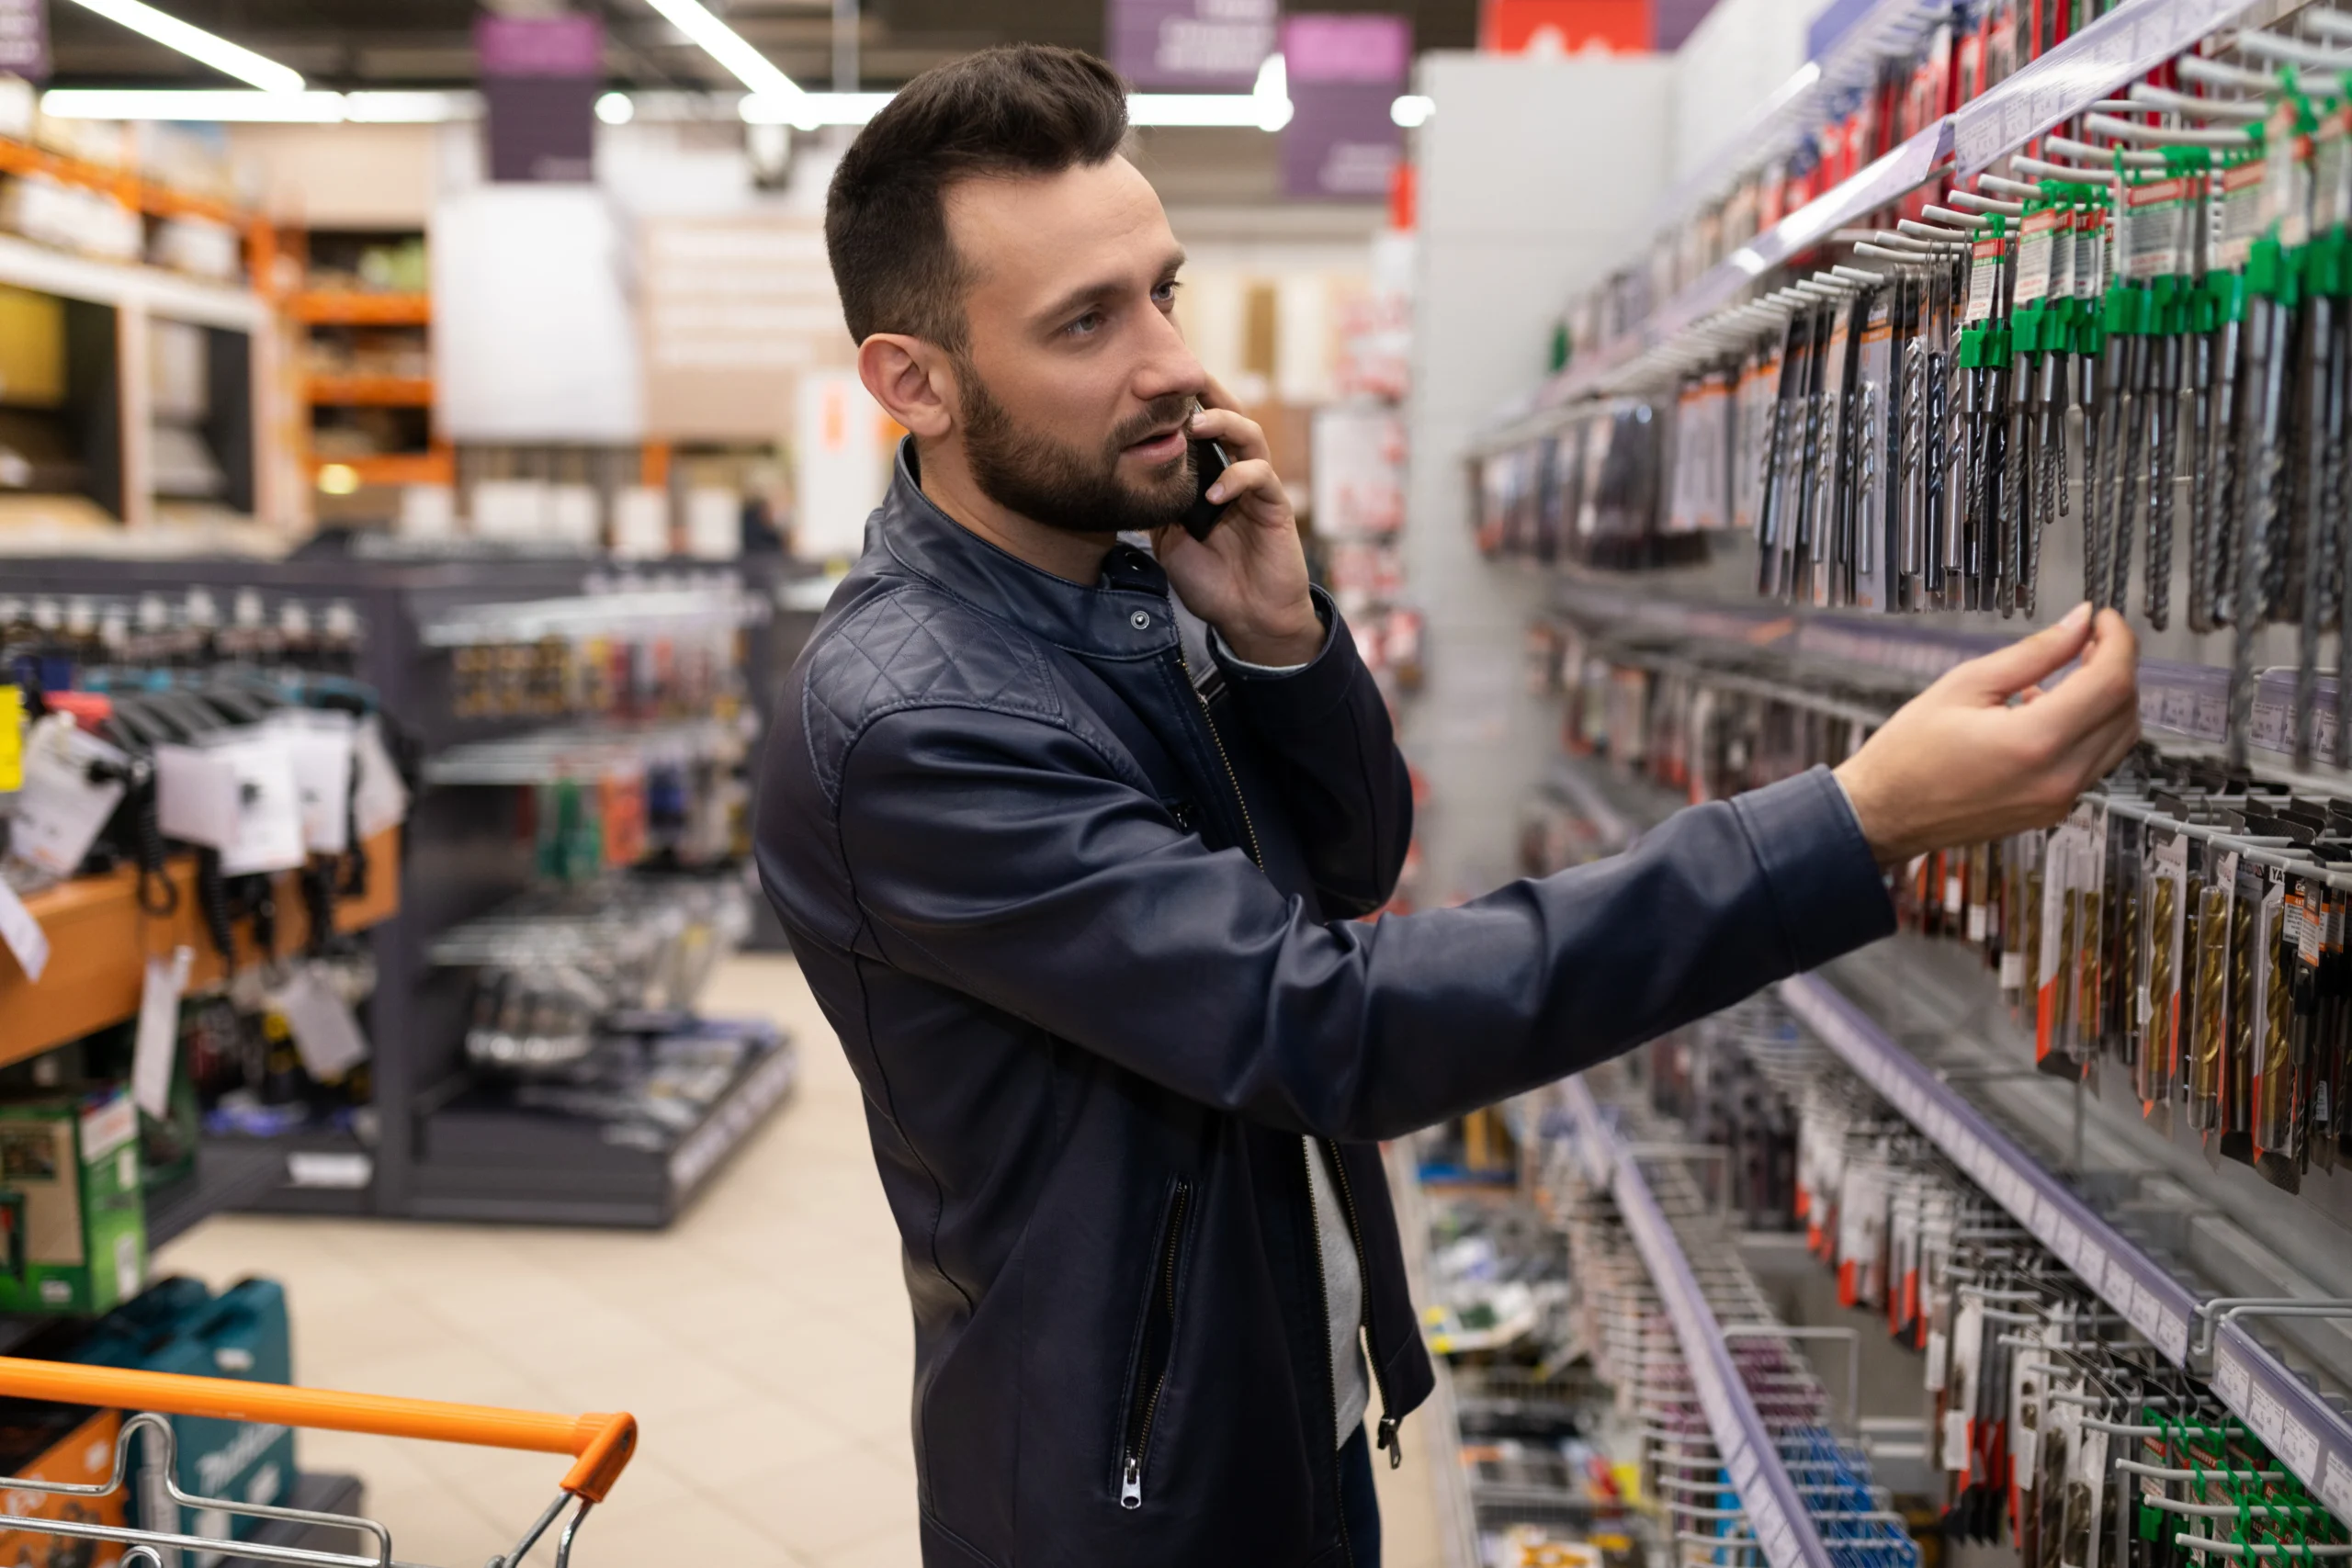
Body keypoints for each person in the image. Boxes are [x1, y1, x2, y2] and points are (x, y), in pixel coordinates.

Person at [754, 43, 2141, 1568]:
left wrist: (1285, 641)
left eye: (1164, 289)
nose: (1167, 362)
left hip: (1273, 1390)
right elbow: (1328, 1023)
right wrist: (1847, 821)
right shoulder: (914, 721)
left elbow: (1349, 863)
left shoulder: (1117, 580)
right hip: (1119, 1489)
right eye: (1086, 320)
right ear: (913, 379)